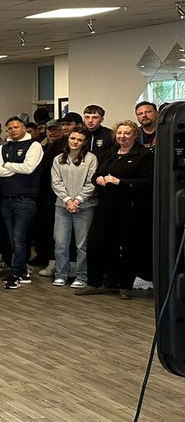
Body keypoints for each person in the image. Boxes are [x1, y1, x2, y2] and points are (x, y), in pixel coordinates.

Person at [77, 121, 152, 299]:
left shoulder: (144, 155)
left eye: (127, 133)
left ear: (135, 134)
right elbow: (95, 175)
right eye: (119, 133)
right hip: (105, 207)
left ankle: (125, 286)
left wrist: (120, 182)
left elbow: (148, 181)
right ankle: (94, 283)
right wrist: (99, 179)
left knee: (128, 248)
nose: (122, 137)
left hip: (130, 209)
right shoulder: (109, 153)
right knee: (95, 244)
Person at [0, 117, 44, 290]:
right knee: (12, 238)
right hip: (6, 199)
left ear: (24, 128)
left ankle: (15, 273)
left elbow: (29, 168)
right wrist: (15, 168)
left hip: (25, 199)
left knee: (19, 238)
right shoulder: (3, 147)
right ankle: (22, 272)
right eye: (10, 128)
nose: (13, 130)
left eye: (16, 127)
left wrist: (7, 165)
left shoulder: (34, 146)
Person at [50, 129, 97, 288]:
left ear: (84, 142)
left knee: (82, 245)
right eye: (72, 138)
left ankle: (82, 276)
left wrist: (77, 200)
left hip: (84, 207)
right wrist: (67, 200)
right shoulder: (58, 159)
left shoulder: (91, 159)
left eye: (79, 139)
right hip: (62, 206)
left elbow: (92, 183)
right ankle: (61, 274)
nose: (75, 142)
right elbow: (56, 182)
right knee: (61, 242)